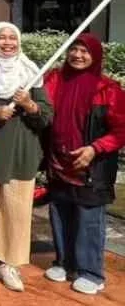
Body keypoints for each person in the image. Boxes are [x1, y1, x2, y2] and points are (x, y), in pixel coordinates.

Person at [0, 22, 52, 292]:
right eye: (1, 38)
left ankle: (9, 261)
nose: (7, 43)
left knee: (16, 208)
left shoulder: (31, 73)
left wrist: (29, 105)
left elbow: (47, 117)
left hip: (21, 149)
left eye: (12, 38)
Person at [43, 33, 125, 296]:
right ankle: (64, 262)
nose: (78, 55)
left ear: (96, 56)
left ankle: (91, 272)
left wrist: (94, 149)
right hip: (59, 163)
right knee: (60, 213)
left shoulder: (108, 89)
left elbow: (121, 130)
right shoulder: (55, 80)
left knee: (89, 220)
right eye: (74, 50)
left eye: (85, 51)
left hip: (91, 167)